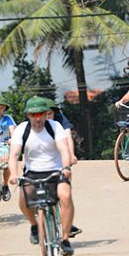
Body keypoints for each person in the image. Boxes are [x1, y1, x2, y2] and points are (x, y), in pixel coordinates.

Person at [9, 97, 75, 256]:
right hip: (33, 172)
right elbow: (14, 154)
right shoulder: (21, 130)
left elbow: (64, 149)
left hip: (56, 170)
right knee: (23, 201)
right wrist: (13, 174)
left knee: (65, 196)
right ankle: (34, 225)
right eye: (34, 115)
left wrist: (66, 167)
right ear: (28, 115)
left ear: (46, 114)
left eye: (41, 114)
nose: (38, 118)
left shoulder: (55, 127)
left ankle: (65, 240)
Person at [42, 98, 82, 237]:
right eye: (43, 114)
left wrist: (71, 155)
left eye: (49, 114)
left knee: (65, 194)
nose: (46, 117)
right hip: (41, 160)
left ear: (54, 113)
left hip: (59, 156)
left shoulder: (59, 121)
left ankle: (67, 224)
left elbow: (68, 138)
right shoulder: (29, 124)